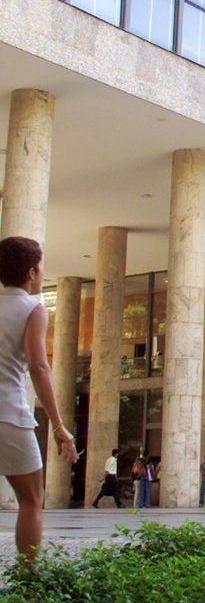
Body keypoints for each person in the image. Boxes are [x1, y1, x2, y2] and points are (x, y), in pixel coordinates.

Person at [0, 237, 78, 564]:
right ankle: (28, 581)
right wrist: (59, 425)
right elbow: (38, 366)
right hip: (9, 415)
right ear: (32, 271)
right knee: (32, 500)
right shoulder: (33, 308)